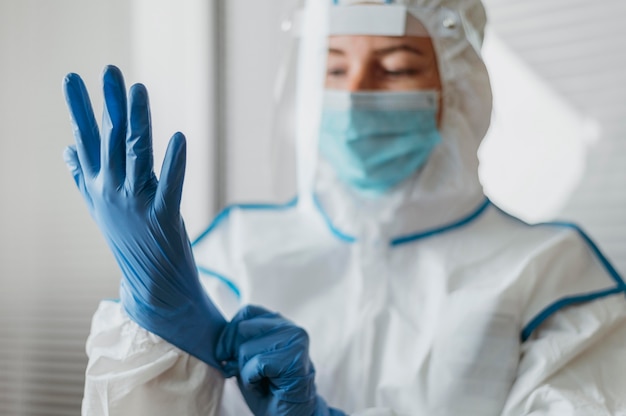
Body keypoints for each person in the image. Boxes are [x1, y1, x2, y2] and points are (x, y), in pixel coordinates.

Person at [63, 0, 626, 415]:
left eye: (397, 68)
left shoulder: (551, 273)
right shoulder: (233, 251)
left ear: (460, 85)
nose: (356, 93)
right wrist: (156, 330)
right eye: (333, 68)